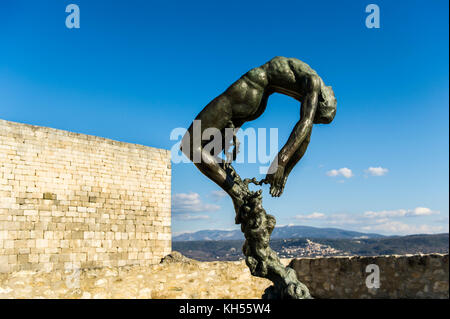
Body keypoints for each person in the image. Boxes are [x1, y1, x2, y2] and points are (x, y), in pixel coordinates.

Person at [181, 56, 337, 211]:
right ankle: (234, 185)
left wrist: (283, 170)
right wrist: (281, 165)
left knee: (190, 146)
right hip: (256, 98)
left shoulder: (311, 81)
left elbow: (305, 136)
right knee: (207, 152)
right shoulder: (313, 82)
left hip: (250, 89)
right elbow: (306, 127)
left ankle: (236, 194)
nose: (313, 122)